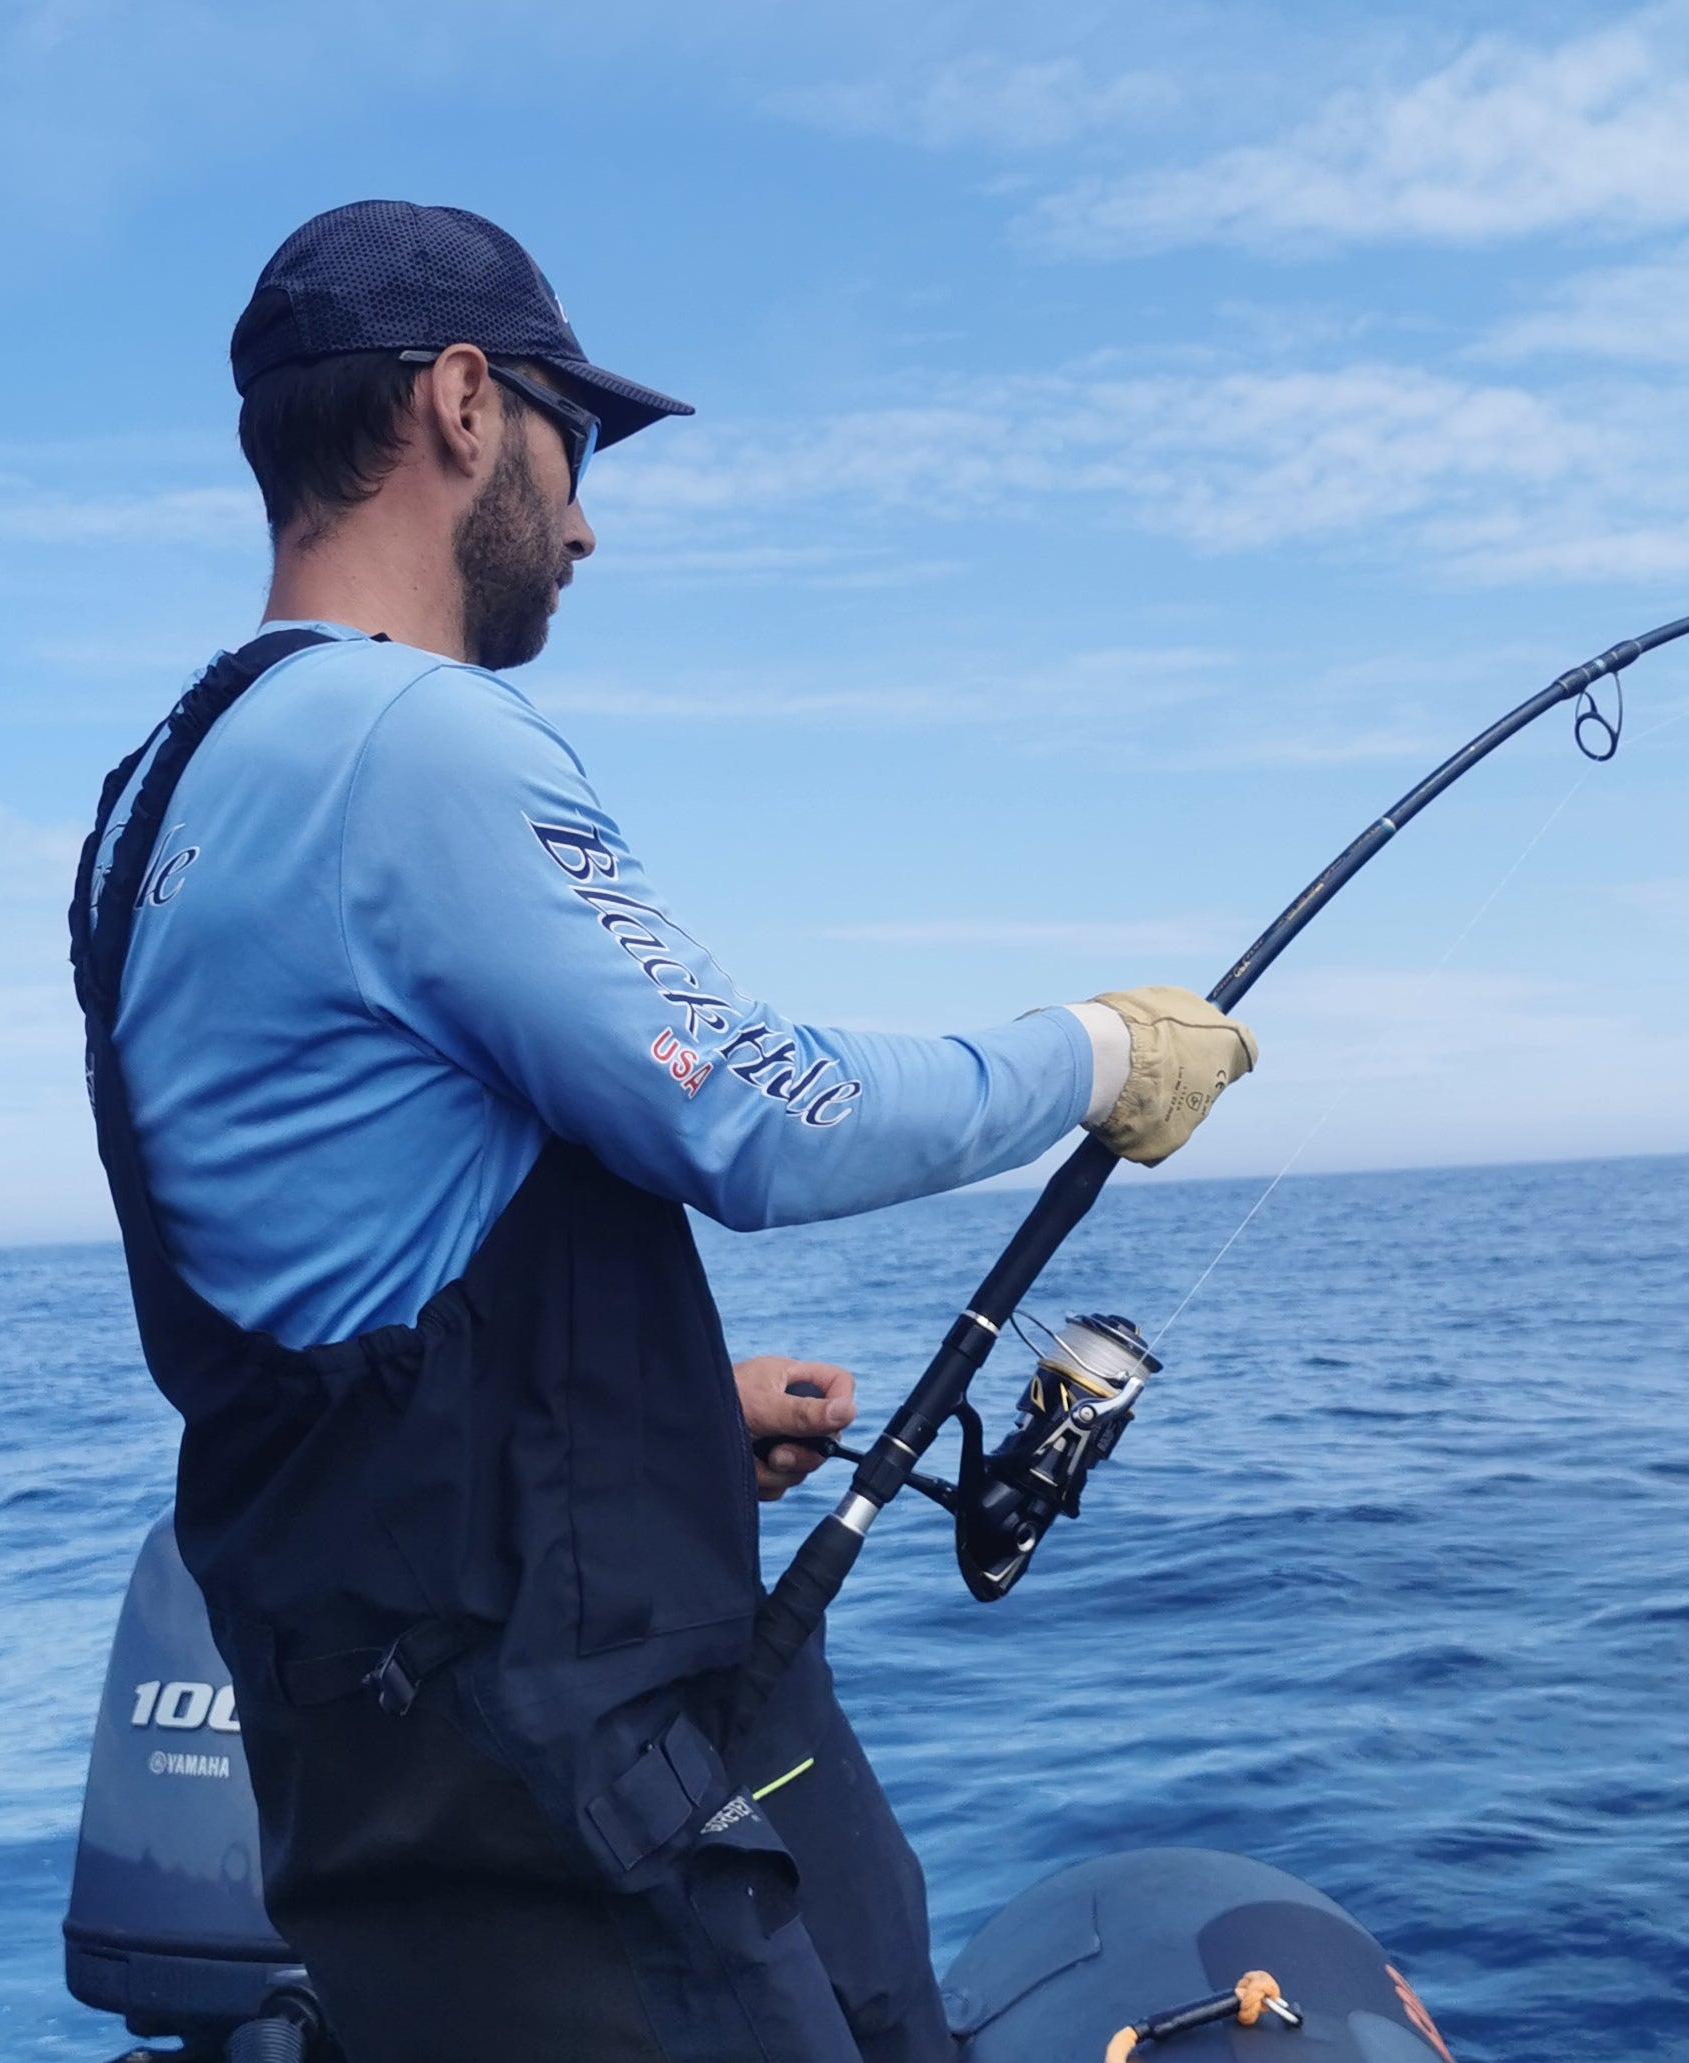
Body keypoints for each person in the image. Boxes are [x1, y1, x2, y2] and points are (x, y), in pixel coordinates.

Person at [67, 200, 1256, 2063]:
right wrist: (1097, 1054)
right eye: (576, 435)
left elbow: (327, 1257)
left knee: (883, 1994)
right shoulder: (417, 743)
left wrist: (666, 1430)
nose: (590, 511)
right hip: (547, 1749)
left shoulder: (152, 805)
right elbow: (766, 1118)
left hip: (409, 1697)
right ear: (465, 403)